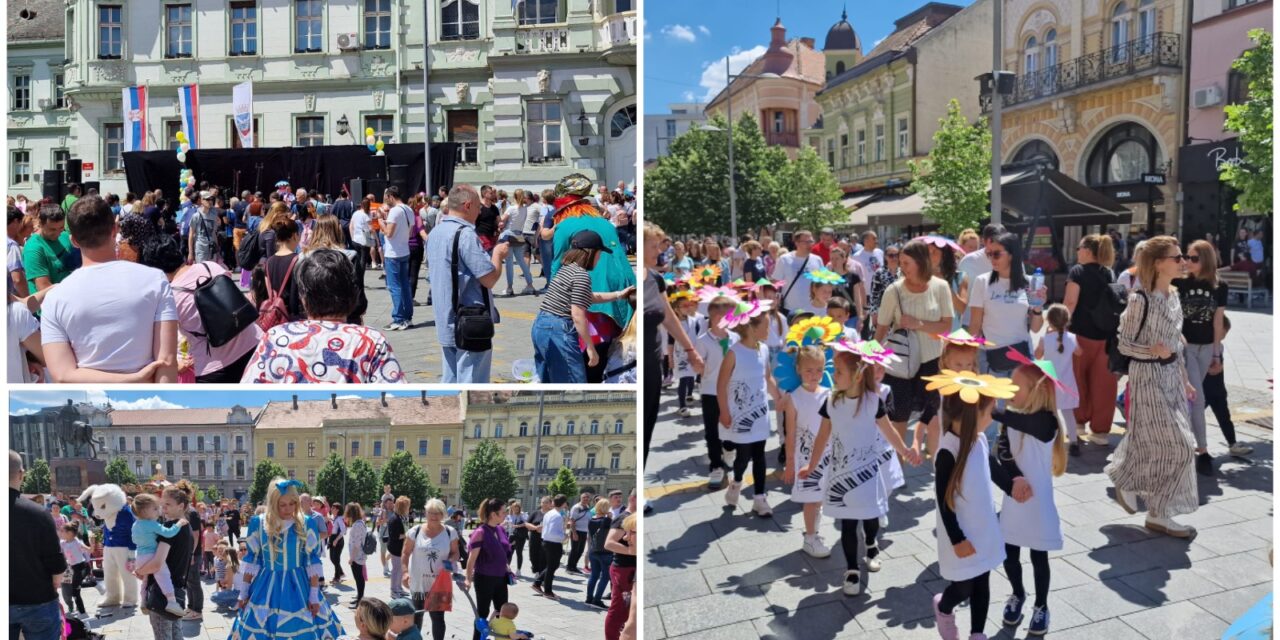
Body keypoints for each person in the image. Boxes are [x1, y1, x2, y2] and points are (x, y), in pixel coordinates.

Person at [801, 348, 920, 595]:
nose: (833, 375)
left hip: (867, 474)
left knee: (870, 517)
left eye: (839, 371)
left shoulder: (873, 401)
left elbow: (889, 432)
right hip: (841, 476)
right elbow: (822, 437)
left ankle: (871, 543)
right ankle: (852, 569)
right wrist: (811, 466)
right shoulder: (831, 401)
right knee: (847, 523)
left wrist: (905, 450)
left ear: (856, 375)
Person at [1108, 236, 1200, 538]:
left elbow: (1175, 342)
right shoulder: (1139, 300)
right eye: (1177, 257)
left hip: (1172, 377)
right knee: (1183, 447)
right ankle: (1128, 478)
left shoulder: (1174, 296)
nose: (1183, 261)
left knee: (1159, 443)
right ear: (1159, 263)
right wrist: (1153, 352)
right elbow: (1124, 344)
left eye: (1182, 256)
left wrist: (1184, 378)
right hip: (1147, 378)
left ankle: (1159, 513)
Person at [40, 196, 177, 382]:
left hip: (90, 402)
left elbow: (62, 374)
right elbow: (166, 362)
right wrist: (134, 381)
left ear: (73, 241)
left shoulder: (55, 298)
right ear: (115, 229)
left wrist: (130, 381)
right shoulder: (155, 280)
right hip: (146, 398)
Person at [931, 379, 1017, 640]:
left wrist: (1013, 486)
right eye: (990, 412)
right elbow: (944, 502)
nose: (992, 418)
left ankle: (977, 634)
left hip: (983, 527)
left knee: (982, 581)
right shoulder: (948, 451)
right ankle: (944, 607)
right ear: (973, 414)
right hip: (961, 531)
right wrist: (957, 539)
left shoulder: (977, 440)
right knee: (964, 586)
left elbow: (990, 467)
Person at [241, 249, 405, 383]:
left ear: (303, 298)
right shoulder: (371, 342)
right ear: (353, 294)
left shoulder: (275, 338)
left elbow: (249, 393)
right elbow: (397, 400)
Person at [129, 230, 263, 382]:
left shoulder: (169, 298)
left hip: (215, 368)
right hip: (254, 345)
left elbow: (166, 344)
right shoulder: (210, 266)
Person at [994, 362, 1068, 636]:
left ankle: (1041, 605)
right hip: (1016, 497)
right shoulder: (1013, 414)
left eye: (1016, 386)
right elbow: (1003, 448)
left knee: (1039, 557)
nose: (1010, 389)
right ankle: (1017, 593)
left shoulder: (1046, 421)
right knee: (1009, 554)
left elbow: (1016, 422)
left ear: (1036, 391)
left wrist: (987, 406)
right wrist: (1015, 478)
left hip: (1038, 504)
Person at [230, 479, 344, 639]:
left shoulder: (307, 523)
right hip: (265, 585)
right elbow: (253, 560)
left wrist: (313, 595)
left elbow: (311, 562)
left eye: (292, 503)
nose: (288, 509)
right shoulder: (258, 523)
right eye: (282, 505)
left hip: (299, 586)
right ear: (272, 503)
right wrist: (243, 592)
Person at [874, 239, 954, 452]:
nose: (902, 267)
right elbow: (881, 328)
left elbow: (946, 326)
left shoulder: (941, 286)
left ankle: (936, 463)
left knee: (933, 415)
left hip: (933, 361)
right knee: (898, 417)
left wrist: (919, 324)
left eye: (906, 262)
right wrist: (871, 357)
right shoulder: (894, 290)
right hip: (900, 363)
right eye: (900, 262)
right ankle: (897, 469)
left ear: (920, 261)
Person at [427, 184, 511, 383]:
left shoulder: (436, 233)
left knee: (450, 380)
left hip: (445, 316)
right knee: (471, 384)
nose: (481, 209)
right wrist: (498, 255)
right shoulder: (465, 234)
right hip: (470, 321)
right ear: (467, 205)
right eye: (477, 206)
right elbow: (488, 278)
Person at [532, 230, 634, 383]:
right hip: (559, 329)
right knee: (574, 382)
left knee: (548, 380)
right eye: (599, 254)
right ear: (590, 252)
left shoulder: (566, 269)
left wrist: (619, 294)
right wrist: (591, 348)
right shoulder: (581, 275)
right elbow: (578, 315)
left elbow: (589, 297)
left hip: (541, 326)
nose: (599, 259)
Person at [643, 224, 704, 466]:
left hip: (652, 366)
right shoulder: (628, 276)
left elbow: (669, 317)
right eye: (655, 246)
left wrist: (690, 351)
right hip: (632, 364)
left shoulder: (656, 279)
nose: (660, 251)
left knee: (647, 428)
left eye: (661, 245)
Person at [1176, 240, 1237, 475]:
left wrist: (1216, 353)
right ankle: (1202, 451)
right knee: (1198, 398)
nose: (1188, 262)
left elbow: (1217, 321)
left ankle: (1186, 442)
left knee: (1191, 399)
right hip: (1186, 346)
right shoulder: (1179, 282)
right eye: (1186, 257)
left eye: (1193, 258)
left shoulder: (1219, 286)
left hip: (1205, 349)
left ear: (1206, 260)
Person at [718, 301, 781, 516]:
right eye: (766, 325)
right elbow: (721, 384)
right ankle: (736, 482)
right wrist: (724, 411)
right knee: (743, 456)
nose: (769, 329)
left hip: (760, 413)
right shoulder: (734, 353)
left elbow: (767, 377)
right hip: (739, 415)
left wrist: (778, 398)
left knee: (760, 455)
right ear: (752, 327)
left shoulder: (763, 349)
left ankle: (759, 498)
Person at [1062, 233, 1119, 447]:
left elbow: (1070, 302)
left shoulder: (1077, 271)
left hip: (1080, 335)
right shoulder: (1109, 273)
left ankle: (1078, 424)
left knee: (1077, 380)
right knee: (1104, 386)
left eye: (1079, 248)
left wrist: (1057, 328)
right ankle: (1101, 431)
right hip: (1106, 337)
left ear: (1087, 250)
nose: (1077, 252)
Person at [968, 233, 1044, 381]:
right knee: (995, 404)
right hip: (992, 358)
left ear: (1011, 255)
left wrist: (1038, 307)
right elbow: (975, 324)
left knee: (1020, 403)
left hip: (1022, 356)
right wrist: (969, 355)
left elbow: (1035, 328)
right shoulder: (982, 282)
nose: (991, 259)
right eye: (989, 254)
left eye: (996, 254)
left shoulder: (1028, 283)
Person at [780, 345, 832, 558]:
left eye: (819, 370)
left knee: (819, 497)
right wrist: (790, 463)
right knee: (811, 498)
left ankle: (814, 532)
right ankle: (810, 537)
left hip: (828, 455)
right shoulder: (794, 398)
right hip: (805, 457)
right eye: (809, 370)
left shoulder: (830, 394)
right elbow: (790, 434)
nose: (814, 375)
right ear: (799, 370)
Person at [11, 450, 68, 640]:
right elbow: (56, 562)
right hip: (38, 599)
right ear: (21, 473)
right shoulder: (38, 514)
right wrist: (54, 582)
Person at [134, 486, 196, 640]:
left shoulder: (169, 528)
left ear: (181, 506)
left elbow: (156, 564)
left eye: (168, 504)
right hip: (177, 591)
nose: (163, 508)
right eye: (162, 504)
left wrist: (140, 570)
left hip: (163, 593)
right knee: (176, 635)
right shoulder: (186, 526)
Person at [402, 498, 461, 640]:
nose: (434, 516)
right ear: (425, 513)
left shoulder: (449, 532)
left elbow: (456, 553)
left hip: (439, 584)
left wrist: (451, 561)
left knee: (438, 617)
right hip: (418, 583)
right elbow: (405, 553)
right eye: (430, 513)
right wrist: (404, 573)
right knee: (417, 616)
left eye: (438, 513)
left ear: (443, 515)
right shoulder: (414, 531)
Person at [466, 498, 513, 640]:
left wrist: (507, 566)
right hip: (484, 578)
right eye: (503, 512)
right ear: (493, 514)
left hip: (501, 577)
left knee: (502, 612)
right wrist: (468, 579)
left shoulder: (500, 529)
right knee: (482, 614)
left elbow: (503, 551)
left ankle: (500, 637)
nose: (506, 514)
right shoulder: (480, 532)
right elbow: (471, 559)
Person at [378, 187, 415, 331]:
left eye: (386, 197)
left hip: (393, 254)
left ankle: (398, 319)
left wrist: (381, 221)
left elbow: (389, 233)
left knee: (395, 287)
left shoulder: (395, 211)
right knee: (405, 285)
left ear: (391, 196)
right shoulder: (408, 209)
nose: (385, 200)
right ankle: (407, 317)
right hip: (404, 251)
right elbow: (410, 233)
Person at [956, 224, 1005, 328]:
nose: (997, 245)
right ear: (984, 241)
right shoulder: (968, 262)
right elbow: (959, 295)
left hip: (1000, 326)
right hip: (968, 323)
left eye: (1002, 241)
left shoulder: (1013, 261)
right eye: (993, 241)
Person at [602, 492, 636, 640]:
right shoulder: (623, 517)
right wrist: (632, 551)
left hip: (629, 569)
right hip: (623, 569)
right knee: (620, 610)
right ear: (633, 498)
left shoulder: (634, 517)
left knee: (628, 610)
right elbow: (609, 543)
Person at [24, 205, 79, 293]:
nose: (57, 233)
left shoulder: (64, 236)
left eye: (61, 228)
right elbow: (44, 288)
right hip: (50, 303)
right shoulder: (33, 249)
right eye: (52, 229)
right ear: (41, 224)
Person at [773, 230, 826, 314]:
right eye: (806, 242)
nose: (810, 244)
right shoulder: (784, 259)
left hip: (813, 308)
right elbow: (776, 282)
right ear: (797, 243)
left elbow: (823, 283)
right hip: (791, 309)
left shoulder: (817, 260)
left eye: (811, 241)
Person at [499, 190, 536, 296]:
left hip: (509, 235)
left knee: (509, 263)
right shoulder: (525, 209)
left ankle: (509, 287)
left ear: (514, 196)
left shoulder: (511, 208)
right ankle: (530, 284)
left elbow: (502, 221)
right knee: (521, 261)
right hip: (519, 235)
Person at [532, 495, 567, 599]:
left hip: (547, 542)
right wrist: (563, 536)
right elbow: (552, 532)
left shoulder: (549, 513)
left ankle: (537, 583)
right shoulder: (557, 515)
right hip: (553, 544)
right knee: (552, 567)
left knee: (552, 566)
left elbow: (545, 529)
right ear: (564, 503)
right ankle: (548, 591)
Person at [59, 522, 93, 616]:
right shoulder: (62, 543)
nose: (61, 533)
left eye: (63, 531)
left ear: (69, 533)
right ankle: (81, 611)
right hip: (73, 569)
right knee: (75, 591)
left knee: (75, 591)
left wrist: (91, 543)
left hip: (83, 567)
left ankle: (82, 612)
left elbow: (90, 550)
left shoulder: (77, 542)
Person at [585, 498, 613, 608]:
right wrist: (610, 517)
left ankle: (589, 598)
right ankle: (597, 599)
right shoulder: (607, 521)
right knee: (605, 576)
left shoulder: (591, 520)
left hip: (593, 550)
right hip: (605, 552)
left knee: (594, 575)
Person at [386, 496, 411, 599]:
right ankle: (393, 590)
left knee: (401, 569)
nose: (409, 508)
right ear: (403, 507)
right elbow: (394, 536)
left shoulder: (402, 517)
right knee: (396, 570)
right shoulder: (394, 519)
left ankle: (399, 588)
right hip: (395, 548)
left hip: (401, 547)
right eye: (407, 506)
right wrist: (407, 535)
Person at [345, 502, 368, 607]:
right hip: (358, 556)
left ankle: (360, 600)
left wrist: (351, 558)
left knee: (359, 578)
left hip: (357, 557)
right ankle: (359, 597)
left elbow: (357, 544)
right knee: (358, 578)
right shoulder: (359, 523)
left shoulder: (357, 525)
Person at [566, 493, 592, 575]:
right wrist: (574, 533)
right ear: (580, 498)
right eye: (584, 497)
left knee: (580, 550)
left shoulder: (587, 507)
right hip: (577, 531)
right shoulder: (576, 507)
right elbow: (572, 520)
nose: (586, 499)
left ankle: (574, 566)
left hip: (584, 531)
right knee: (574, 550)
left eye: (587, 497)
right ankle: (569, 567)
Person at [505, 501, 530, 575]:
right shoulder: (509, 516)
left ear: (519, 508)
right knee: (510, 552)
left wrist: (518, 526)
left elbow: (526, 523)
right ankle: (507, 568)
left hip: (520, 536)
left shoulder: (523, 515)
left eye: (517, 508)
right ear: (511, 508)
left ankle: (518, 570)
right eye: (514, 508)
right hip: (511, 536)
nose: (515, 509)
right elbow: (506, 524)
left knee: (519, 552)